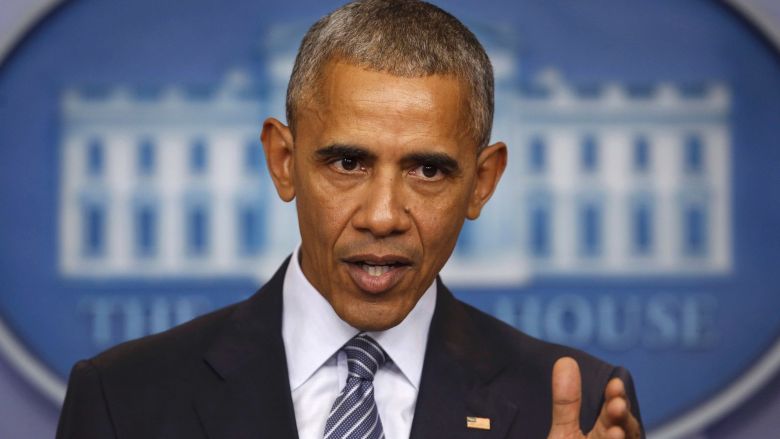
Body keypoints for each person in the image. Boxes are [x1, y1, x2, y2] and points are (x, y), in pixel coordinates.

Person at [56, 1, 644, 438]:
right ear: (284, 163)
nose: (383, 216)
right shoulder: (122, 400)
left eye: (429, 171)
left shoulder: (579, 405)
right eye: (347, 162)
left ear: (482, 182)